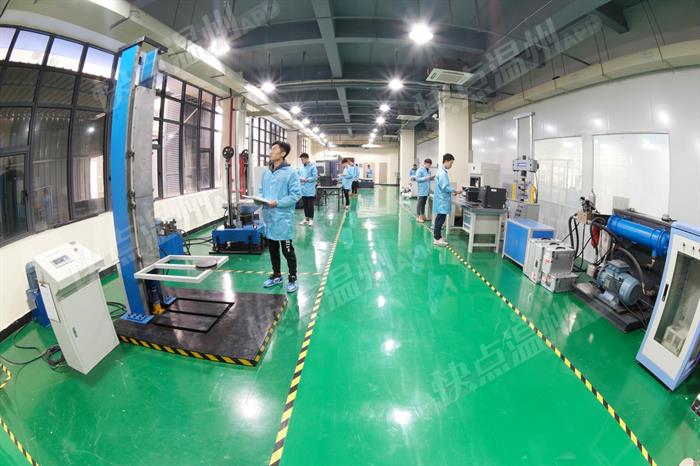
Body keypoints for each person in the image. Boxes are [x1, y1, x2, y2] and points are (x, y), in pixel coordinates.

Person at [259, 141, 302, 293]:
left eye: (274, 149)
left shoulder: (291, 172)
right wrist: (259, 199)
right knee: (272, 249)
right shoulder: (266, 172)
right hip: (269, 217)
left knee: (287, 250)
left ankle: (293, 278)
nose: (270, 152)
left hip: (283, 218)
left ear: (283, 153)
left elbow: (296, 195)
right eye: (271, 149)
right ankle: (277, 275)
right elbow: (261, 191)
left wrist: (277, 203)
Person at [433, 153, 458, 247]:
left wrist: (452, 191)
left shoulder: (441, 171)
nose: (451, 165)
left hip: (441, 199)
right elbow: (445, 187)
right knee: (440, 220)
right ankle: (437, 239)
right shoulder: (442, 173)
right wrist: (454, 190)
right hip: (442, 200)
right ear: (446, 161)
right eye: (451, 163)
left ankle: (438, 237)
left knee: (439, 219)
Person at [298, 153, 318, 226]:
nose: (302, 161)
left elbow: (315, 177)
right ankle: (306, 218)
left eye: (303, 159)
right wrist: (299, 178)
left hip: (310, 189)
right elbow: (297, 175)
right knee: (305, 205)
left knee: (310, 205)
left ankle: (311, 219)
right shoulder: (301, 168)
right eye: (301, 160)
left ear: (307, 158)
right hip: (303, 189)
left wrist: (306, 179)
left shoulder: (312, 167)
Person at [415, 158, 433, 223]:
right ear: (425, 163)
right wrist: (426, 178)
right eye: (428, 164)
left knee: (423, 204)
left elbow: (427, 179)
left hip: (426, 190)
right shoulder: (420, 170)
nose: (429, 166)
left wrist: (431, 178)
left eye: (430, 165)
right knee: (420, 204)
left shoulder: (428, 170)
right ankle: (418, 217)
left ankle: (423, 216)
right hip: (422, 190)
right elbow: (417, 179)